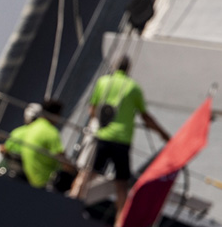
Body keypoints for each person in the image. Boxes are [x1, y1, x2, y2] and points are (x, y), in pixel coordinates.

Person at [70, 56, 170, 218]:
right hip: (122, 140)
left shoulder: (103, 82)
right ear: (128, 69)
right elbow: (146, 117)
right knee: (121, 183)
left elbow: (92, 110)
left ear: (114, 67)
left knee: (87, 173)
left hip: (102, 136)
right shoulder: (133, 88)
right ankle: (120, 219)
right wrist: (164, 135)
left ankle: (70, 203)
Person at [1, 99, 71, 189]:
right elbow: (62, 158)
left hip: (24, 177)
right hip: (45, 181)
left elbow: (3, 149)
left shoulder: (18, 132)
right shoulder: (49, 131)